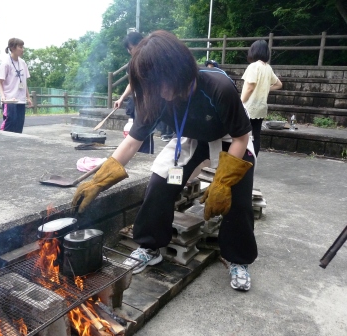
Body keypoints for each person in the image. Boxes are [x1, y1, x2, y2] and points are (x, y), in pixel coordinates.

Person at [73, 30, 258, 292]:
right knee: (160, 182)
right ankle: (151, 246)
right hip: (192, 138)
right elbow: (133, 140)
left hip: (232, 139)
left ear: (180, 69)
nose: (159, 90)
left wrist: (222, 182)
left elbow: (242, 136)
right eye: (152, 84)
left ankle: (237, 258)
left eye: (162, 82)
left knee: (237, 197)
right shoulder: (156, 96)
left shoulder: (218, 87)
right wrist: (98, 181)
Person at [114, 32, 154, 154]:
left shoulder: (152, 58)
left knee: (146, 131)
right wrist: (121, 99)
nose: (129, 51)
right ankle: (139, 153)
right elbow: (132, 83)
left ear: (139, 43)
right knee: (137, 130)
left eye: (130, 48)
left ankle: (146, 155)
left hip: (150, 101)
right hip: (138, 101)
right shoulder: (132, 63)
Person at [240, 40, 282, 156]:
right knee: (256, 136)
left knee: (242, 136)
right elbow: (279, 84)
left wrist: (240, 103)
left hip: (249, 107)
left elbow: (249, 88)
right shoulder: (268, 68)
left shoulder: (253, 66)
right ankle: (253, 160)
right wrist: (264, 89)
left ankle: (242, 160)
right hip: (261, 108)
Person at [0, 37, 32, 134]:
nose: (22, 49)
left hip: (21, 100)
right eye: (20, 47)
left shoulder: (23, 63)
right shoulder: (6, 63)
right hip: (10, 101)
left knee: (18, 127)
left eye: (22, 47)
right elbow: (0, 81)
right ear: (12, 48)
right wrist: (3, 96)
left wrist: (28, 97)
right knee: (9, 126)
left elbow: (24, 82)